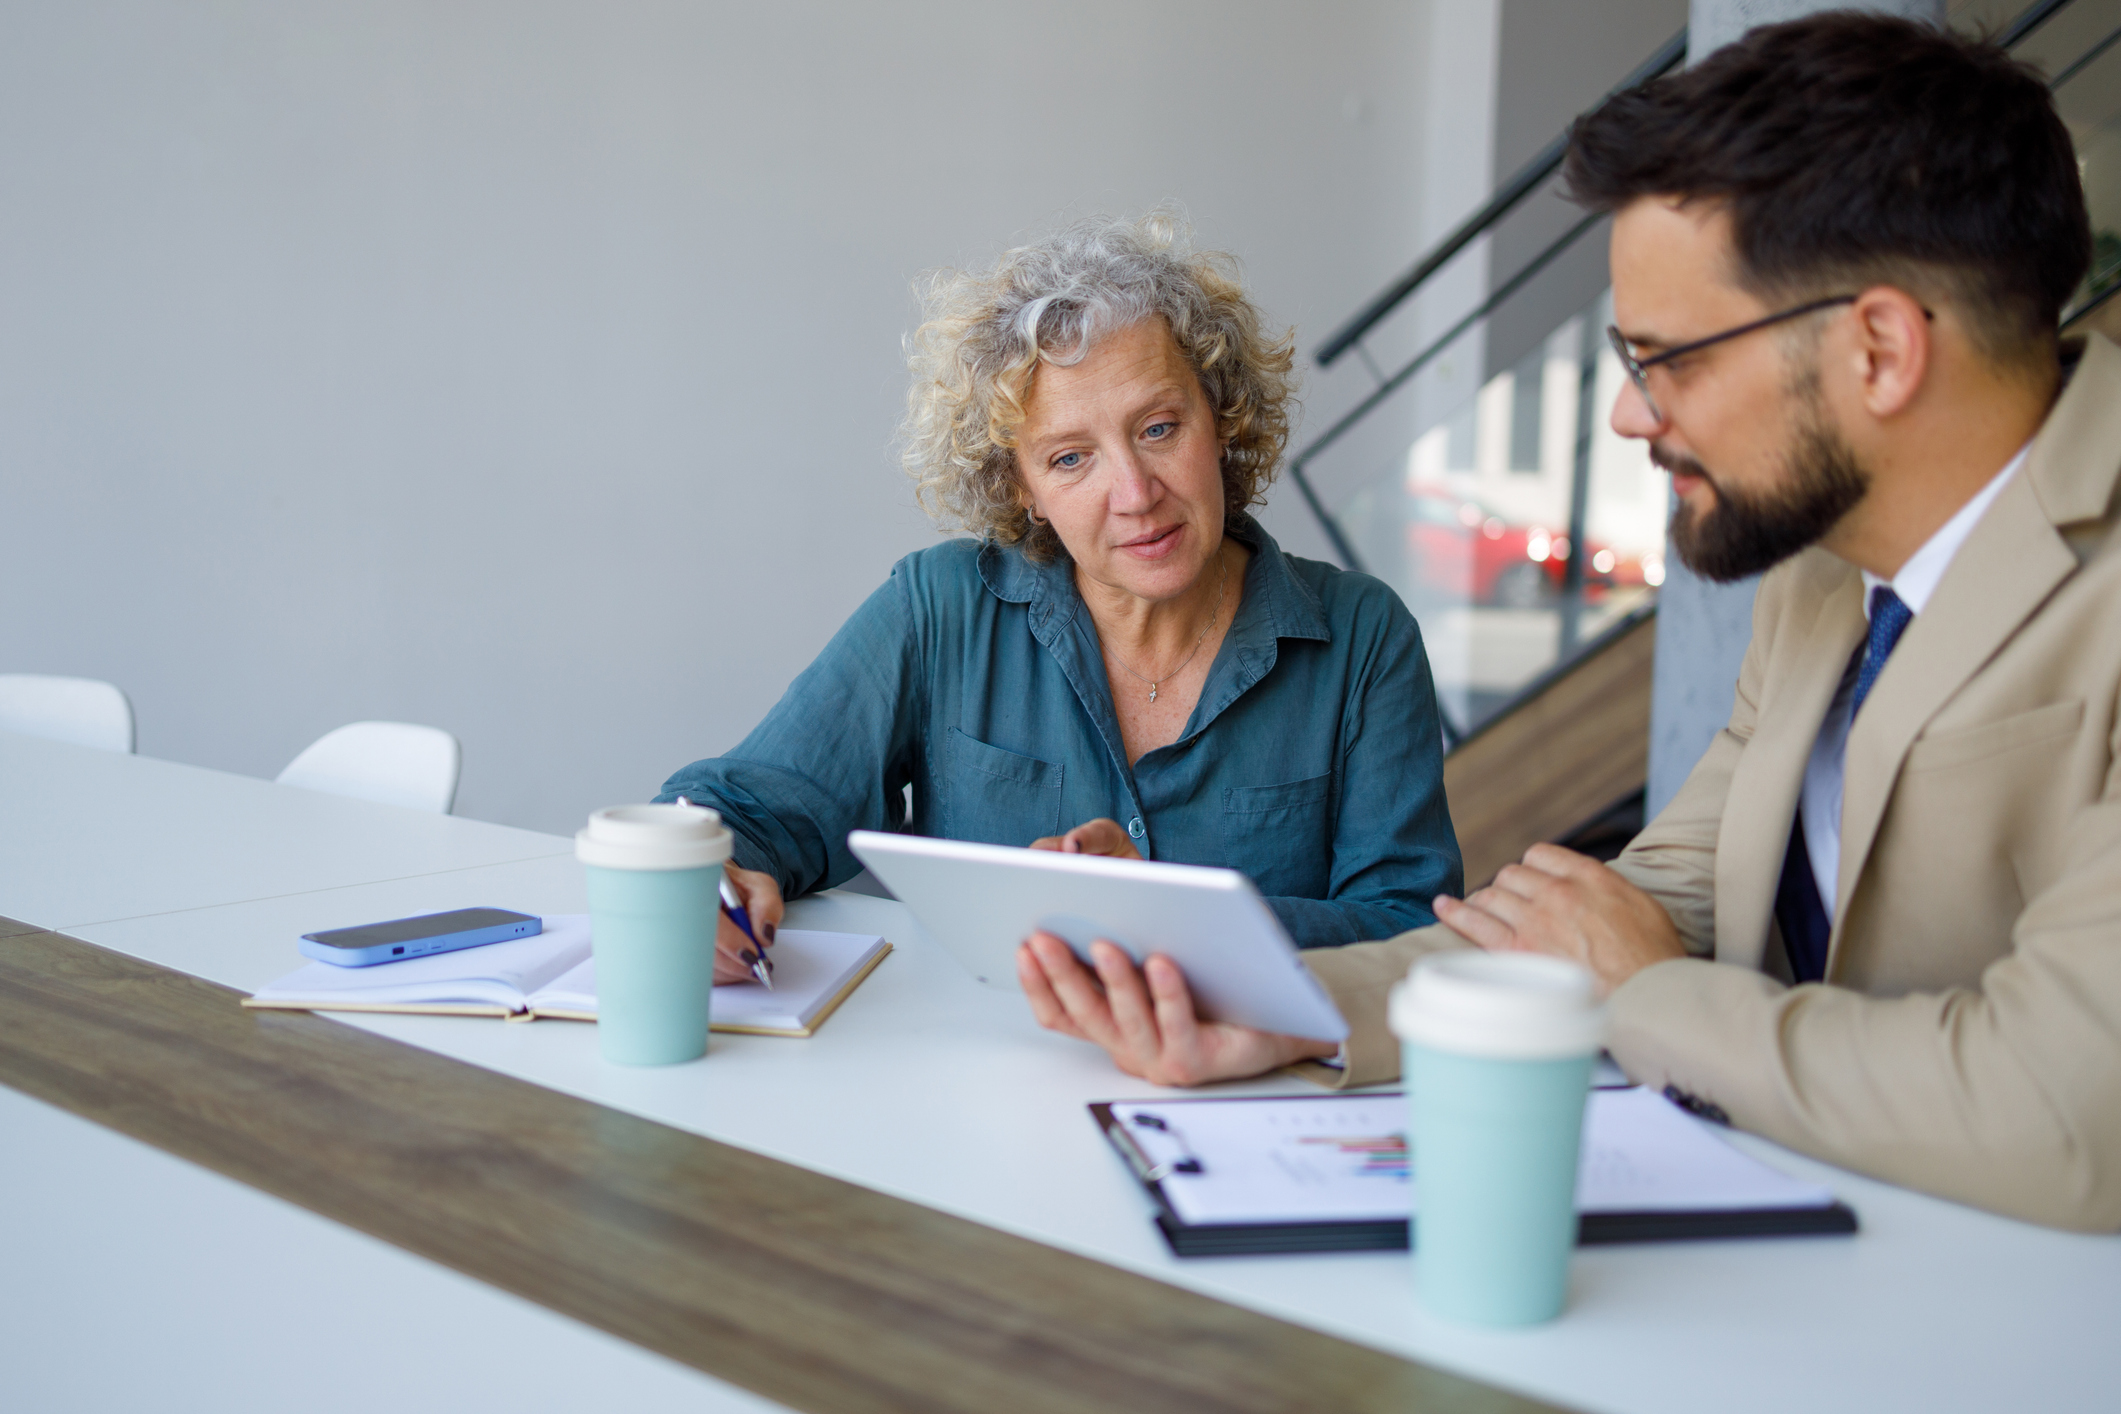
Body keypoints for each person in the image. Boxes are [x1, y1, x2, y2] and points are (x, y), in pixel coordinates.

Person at [1019, 14, 2121, 1231]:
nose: (1631, 421)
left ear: (1879, 348)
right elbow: (1632, 911)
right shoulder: (1822, 577)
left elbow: (2066, 1110)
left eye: (1667, 360)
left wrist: (1648, 998)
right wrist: (1284, 1008)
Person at [662, 212, 1463, 983]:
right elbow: (752, 802)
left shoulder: (1361, 635)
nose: (1135, 493)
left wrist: (1164, 916)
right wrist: (701, 877)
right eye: (1071, 458)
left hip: (1243, 1095)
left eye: (1157, 428)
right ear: (1024, 490)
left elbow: (1410, 930)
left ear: (1220, 420)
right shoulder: (940, 608)